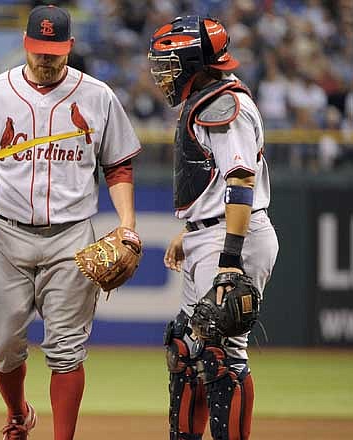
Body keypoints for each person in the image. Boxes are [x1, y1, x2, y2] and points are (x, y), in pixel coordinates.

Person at [0, 5, 142, 440]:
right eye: (40, 50)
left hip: (71, 236)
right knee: (1, 346)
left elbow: (117, 166)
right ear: (26, 44)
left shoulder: (97, 95)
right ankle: (18, 412)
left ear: (70, 48)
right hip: (8, 233)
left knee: (66, 351)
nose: (47, 59)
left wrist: (127, 224)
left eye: (55, 51)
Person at [148, 16, 279, 440]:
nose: (161, 73)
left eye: (168, 63)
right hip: (212, 231)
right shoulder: (207, 98)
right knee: (186, 350)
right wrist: (193, 230)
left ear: (193, 62)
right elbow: (217, 178)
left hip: (233, 238)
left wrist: (228, 260)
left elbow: (241, 179)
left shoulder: (224, 104)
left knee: (222, 357)